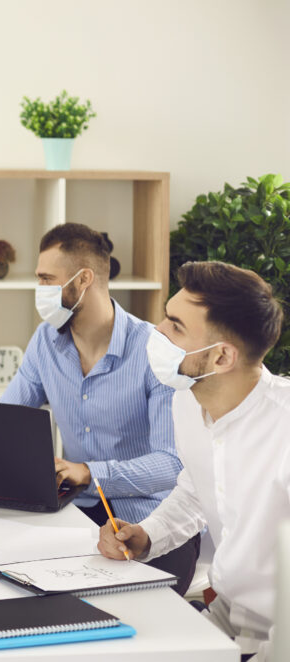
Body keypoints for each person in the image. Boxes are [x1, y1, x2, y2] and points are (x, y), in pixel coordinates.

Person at [98, 261, 288, 662]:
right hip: (226, 616)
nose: (156, 331)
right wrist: (147, 534)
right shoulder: (187, 400)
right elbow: (195, 489)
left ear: (221, 357)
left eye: (175, 326)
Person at [0, 222, 199, 595]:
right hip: (77, 515)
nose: (39, 291)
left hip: (152, 522)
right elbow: (5, 422)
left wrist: (89, 472)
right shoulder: (45, 342)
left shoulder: (151, 351)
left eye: (46, 279)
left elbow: (172, 463)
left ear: (83, 279)